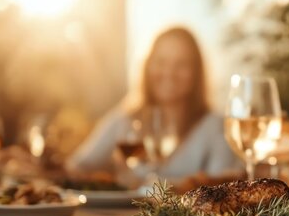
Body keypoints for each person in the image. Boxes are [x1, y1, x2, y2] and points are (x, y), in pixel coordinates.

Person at [66, 27, 239, 186]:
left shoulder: (216, 126)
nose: (169, 72)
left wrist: (145, 185)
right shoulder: (124, 120)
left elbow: (220, 185)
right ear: (148, 66)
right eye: (161, 62)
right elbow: (76, 167)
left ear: (196, 73)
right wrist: (108, 179)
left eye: (182, 64)